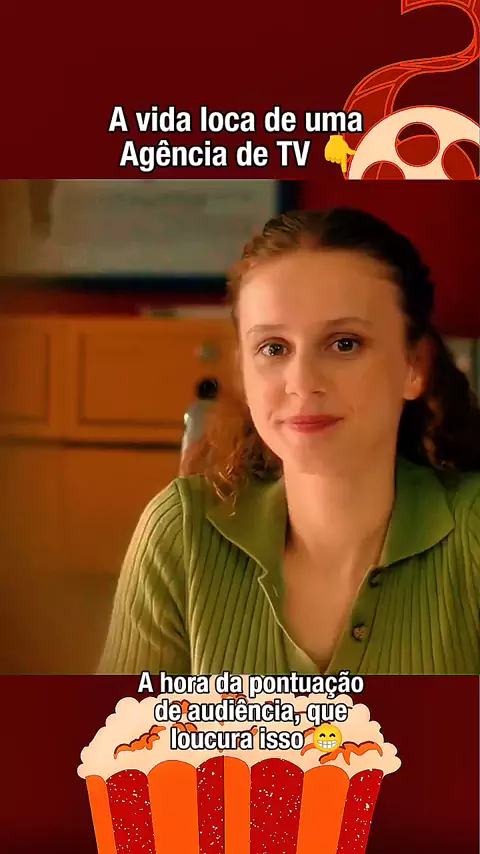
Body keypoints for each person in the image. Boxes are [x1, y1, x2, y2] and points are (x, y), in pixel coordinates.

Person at [98, 208, 480, 676]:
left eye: (344, 343)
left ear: (414, 366)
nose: (301, 383)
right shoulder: (181, 535)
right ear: (243, 371)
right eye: (273, 348)